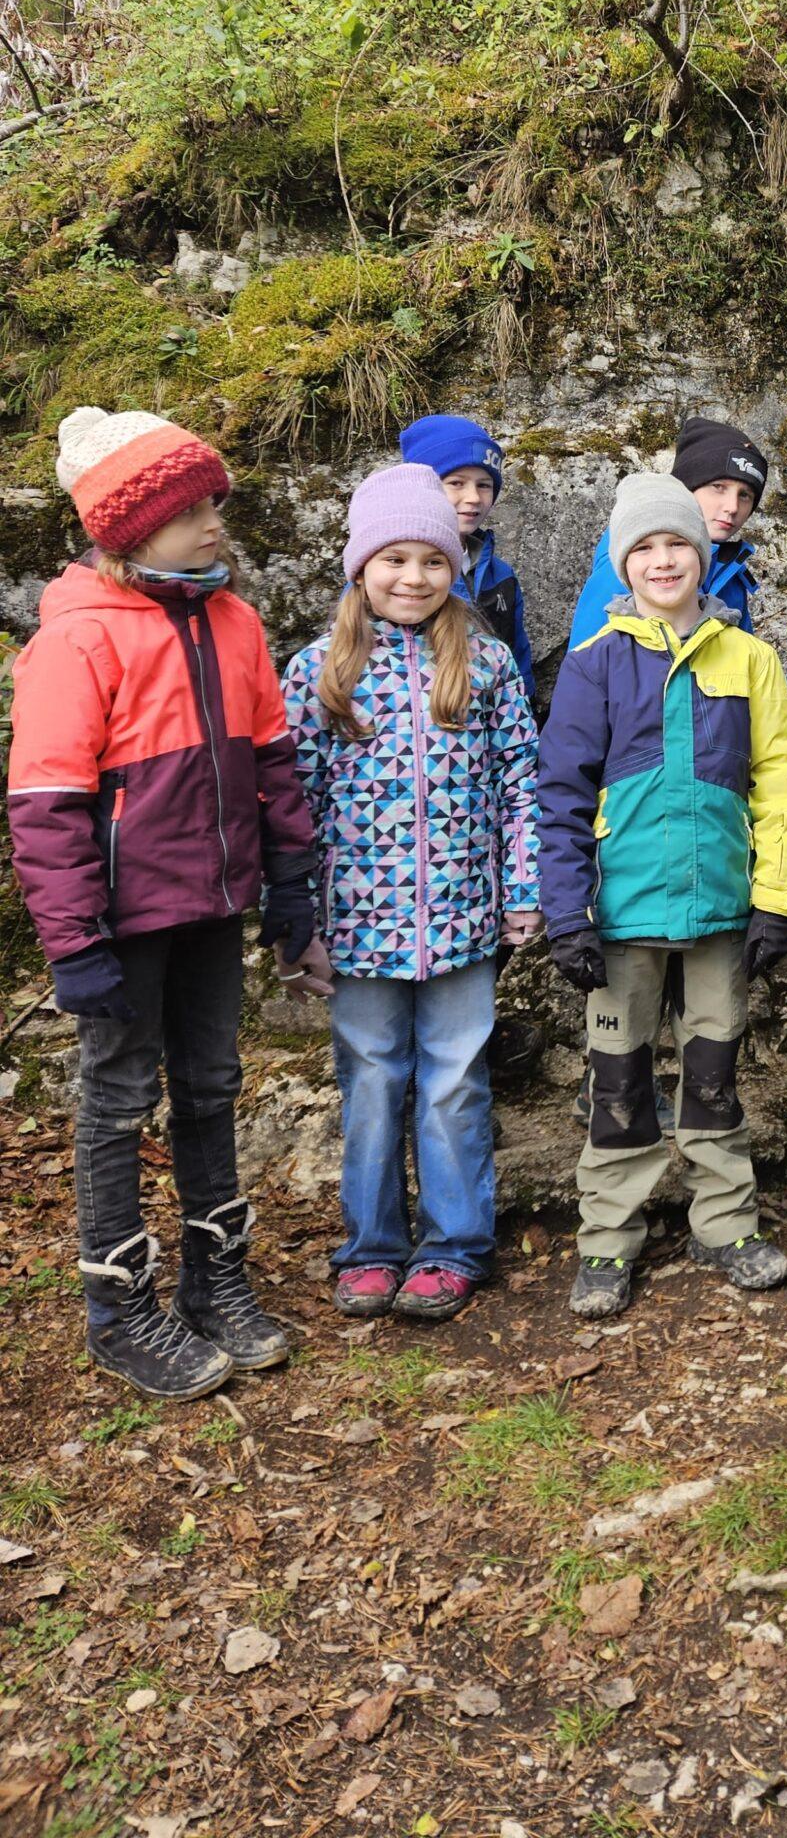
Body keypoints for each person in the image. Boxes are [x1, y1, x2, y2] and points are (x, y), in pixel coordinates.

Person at [8, 409, 318, 1397]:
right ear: (130, 526)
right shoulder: (78, 638)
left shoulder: (234, 618)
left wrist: (293, 880)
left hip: (214, 906)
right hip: (123, 920)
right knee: (114, 1098)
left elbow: (273, 763)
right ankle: (117, 1303)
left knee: (212, 1085)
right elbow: (47, 803)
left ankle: (213, 1278)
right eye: (194, 509)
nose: (217, 522)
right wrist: (74, 943)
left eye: (216, 503)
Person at [540, 474, 787, 1312]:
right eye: (646, 547)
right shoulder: (595, 665)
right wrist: (565, 913)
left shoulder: (751, 658)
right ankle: (609, 1240)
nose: (665, 560)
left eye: (679, 543)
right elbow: (562, 791)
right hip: (621, 916)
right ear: (625, 564)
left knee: (714, 1072)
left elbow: (780, 784)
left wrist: (774, 898)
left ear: (704, 553)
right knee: (618, 1081)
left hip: (721, 909)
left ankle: (725, 1222)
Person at [283, 464, 540, 1324]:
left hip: (463, 925)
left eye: (432, 561)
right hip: (357, 930)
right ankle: (370, 1246)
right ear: (361, 566)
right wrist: (300, 925)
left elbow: (520, 787)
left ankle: (454, 1245)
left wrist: (523, 891)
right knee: (371, 1082)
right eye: (393, 559)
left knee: (456, 1082)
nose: (413, 578)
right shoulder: (321, 669)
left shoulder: (487, 661)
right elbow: (296, 807)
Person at [567, 417, 769, 646]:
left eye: (745, 495)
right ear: (685, 488)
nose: (732, 507)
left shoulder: (728, 571)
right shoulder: (632, 566)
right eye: (718, 487)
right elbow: (584, 665)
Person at [399, 413, 537, 702]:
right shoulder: (392, 575)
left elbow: (518, 661)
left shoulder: (501, 576)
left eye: (484, 485)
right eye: (456, 483)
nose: (473, 497)